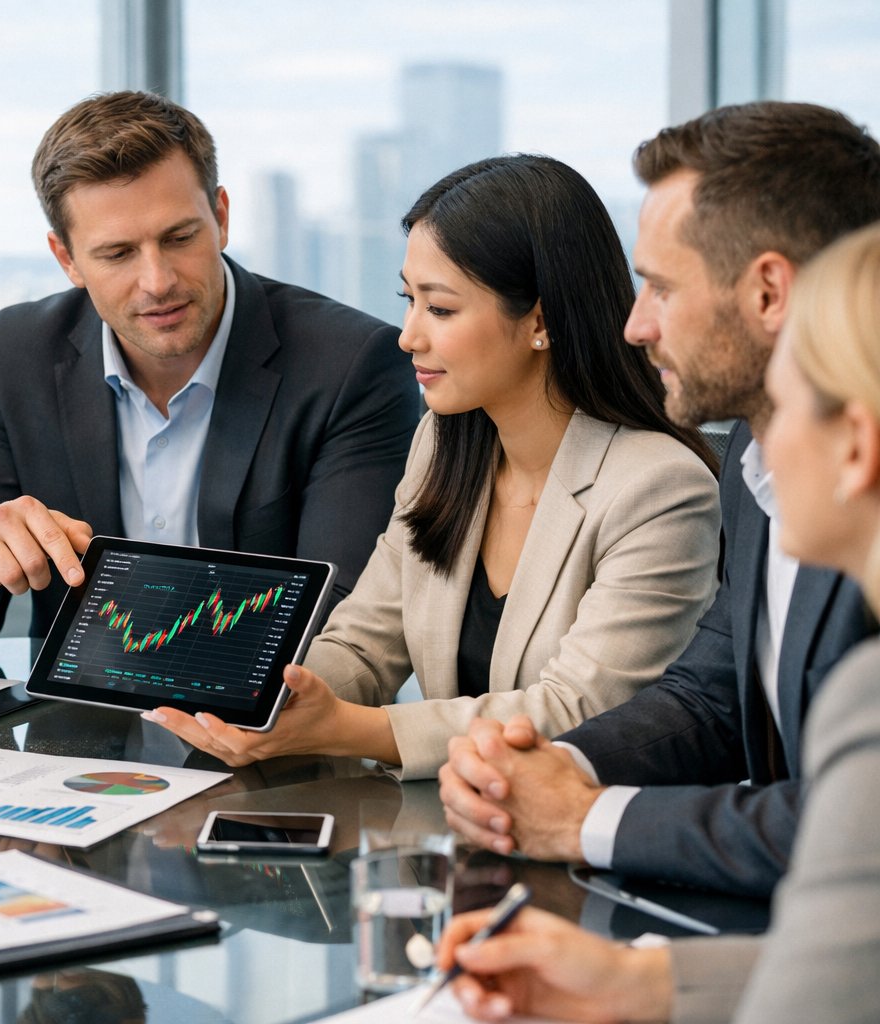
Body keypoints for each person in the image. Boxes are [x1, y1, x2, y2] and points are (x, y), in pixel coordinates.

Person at [434, 217, 880, 1024]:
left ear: (855, 445)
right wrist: (639, 982)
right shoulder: (747, 464)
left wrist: (584, 817)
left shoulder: (868, 691)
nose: (635, 323)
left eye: (785, 407)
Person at [148, 154, 721, 780]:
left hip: (587, 824)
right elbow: (366, 640)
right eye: (409, 300)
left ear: (540, 320)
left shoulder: (659, 488)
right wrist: (273, 701)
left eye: (440, 309)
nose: (408, 337)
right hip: (459, 818)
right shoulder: (446, 445)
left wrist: (349, 729)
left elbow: (579, 710)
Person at [0, 91, 420, 657]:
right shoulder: (19, 352)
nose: (158, 281)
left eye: (179, 238)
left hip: (266, 710)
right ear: (67, 259)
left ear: (221, 217)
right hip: (75, 710)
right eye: (117, 254)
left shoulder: (349, 363)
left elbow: (342, 623)